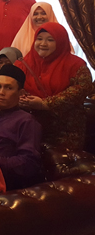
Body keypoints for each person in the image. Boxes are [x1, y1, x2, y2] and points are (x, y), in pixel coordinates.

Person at [16, 22, 94, 150]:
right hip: (30, 126)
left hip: (65, 130)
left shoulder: (76, 65)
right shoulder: (23, 64)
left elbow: (80, 90)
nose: (43, 44)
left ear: (61, 42)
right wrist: (21, 99)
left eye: (50, 40)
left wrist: (45, 104)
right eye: (39, 39)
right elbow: (12, 86)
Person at [0, 65, 42, 190]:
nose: (1, 92)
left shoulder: (26, 121)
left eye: (8, 88)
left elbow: (28, 163)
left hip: (3, 182)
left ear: (20, 93)